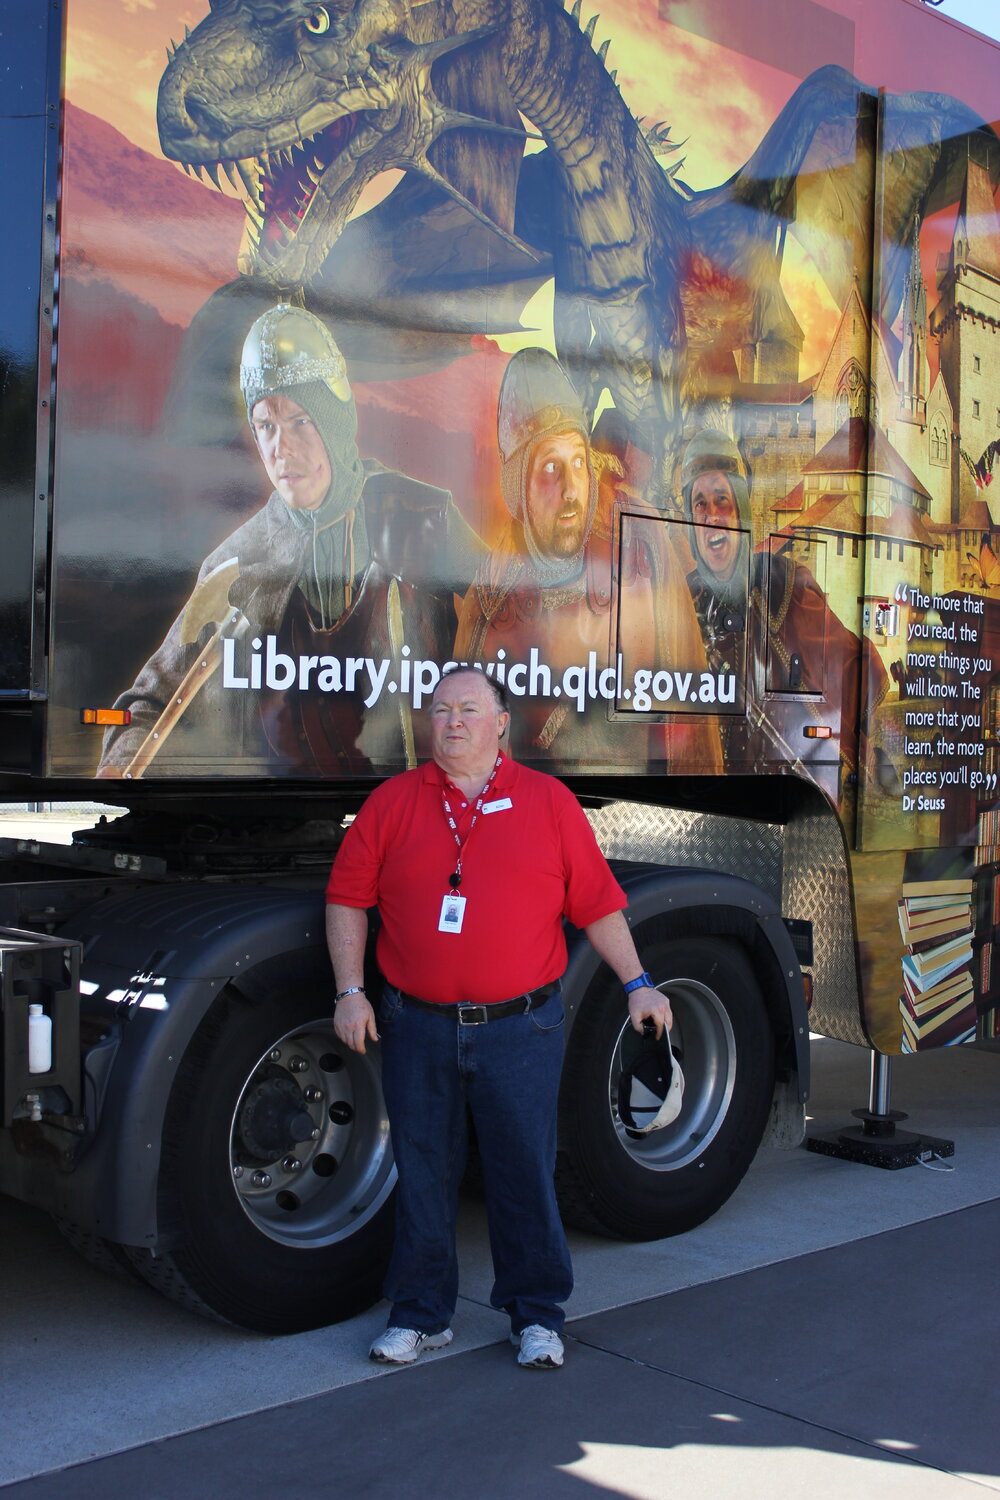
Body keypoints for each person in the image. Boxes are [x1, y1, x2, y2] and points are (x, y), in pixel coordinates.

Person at [325, 664, 671, 1369]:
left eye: (469, 709)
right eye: (442, 709)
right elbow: (346, 898)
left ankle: (536, 1316)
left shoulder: (547, 803)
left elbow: (598, 905)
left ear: (501, 724)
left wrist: (640, 983)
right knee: (422, 1171)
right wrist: (350, 991)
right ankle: (422, 1314)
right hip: (416, 1024)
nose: (453, 722)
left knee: (523, 1172)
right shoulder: (391, 804)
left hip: (521, 1028)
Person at [98, 304, 482, 777]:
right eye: (267, 426)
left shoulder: (425, 517)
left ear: (336, 421)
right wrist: (127, 765)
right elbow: (143, 711)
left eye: (301, 420)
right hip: (284, 822)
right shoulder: (236, 568)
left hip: (423, 812)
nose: (283, 447)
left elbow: (518, 658)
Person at [455, 348, 722, 773]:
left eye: (578, 461)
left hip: (637, 817)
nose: (571, 490)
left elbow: (689, 718)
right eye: (549, 468)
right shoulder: (490, 594)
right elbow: (468, 759)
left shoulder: (640, 538)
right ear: (519, 487)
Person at [680, 428, 889, 778]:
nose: (711, 514)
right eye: (699, 503)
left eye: (722, 499)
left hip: (794, 794)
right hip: (713, 794)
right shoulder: (683, 600)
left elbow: (855, 670)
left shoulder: (781, 584)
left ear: (740, 510)